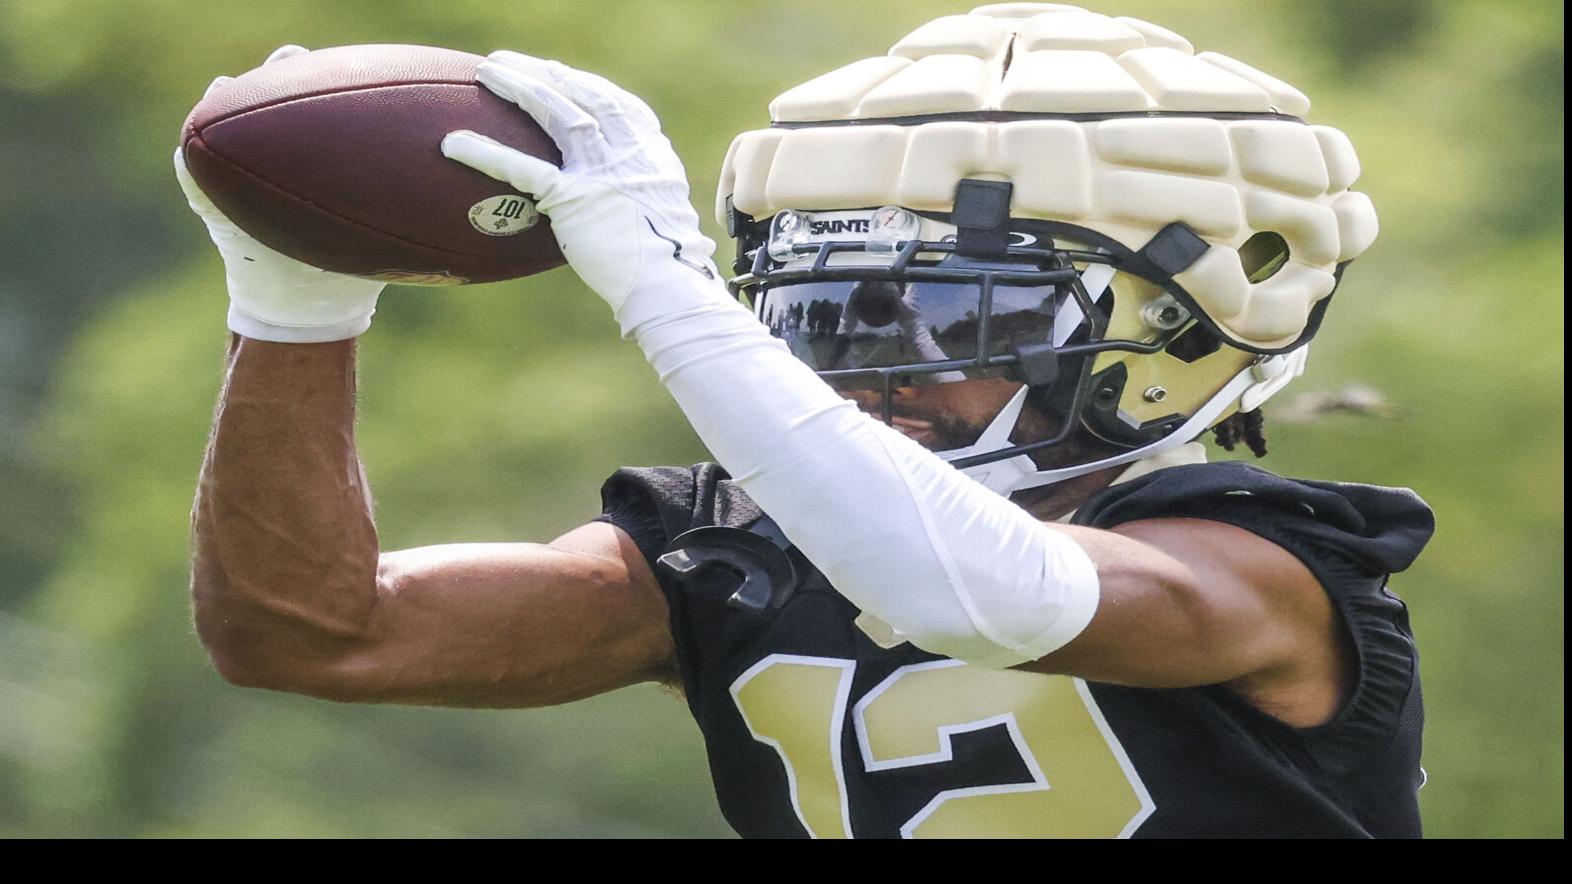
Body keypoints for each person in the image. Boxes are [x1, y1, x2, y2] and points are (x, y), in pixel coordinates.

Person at [181, 4, 1434, 838]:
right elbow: (316, 633)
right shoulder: (738, 552)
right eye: (825, 316)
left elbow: (985, 596)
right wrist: (296, 310)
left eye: (950, 316)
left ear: (1180, 327)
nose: (874, 370)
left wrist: (664, 287)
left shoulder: (1261, 567)